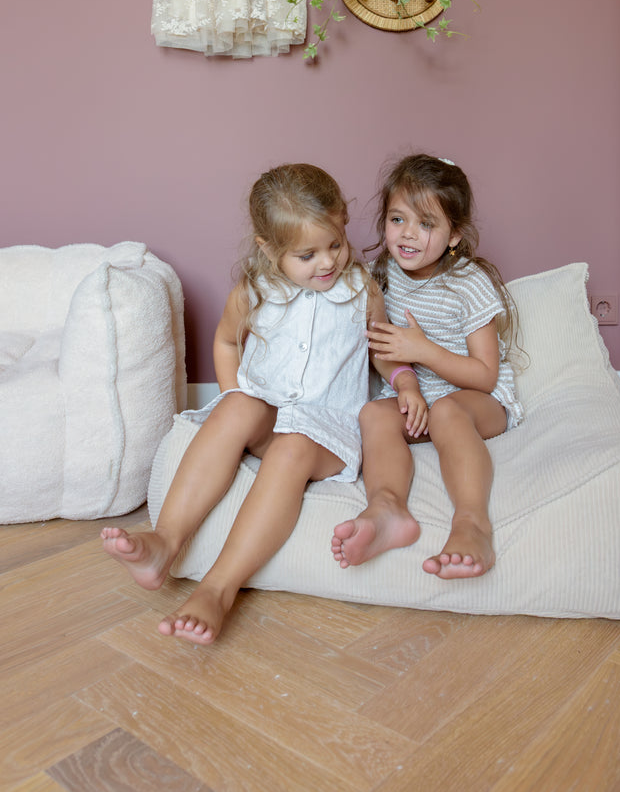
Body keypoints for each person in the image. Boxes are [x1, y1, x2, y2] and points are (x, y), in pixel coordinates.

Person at [102, 163, 425, 644]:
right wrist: (236, 392)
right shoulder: (255, 292)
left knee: (293, 446)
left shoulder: (361, 291)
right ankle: (165, 542)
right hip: (270, 412)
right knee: (235, 408)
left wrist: (404, 383)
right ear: (269, 250)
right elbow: (227, 344)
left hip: (326, 429)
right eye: (306, 254)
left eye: (335, 244)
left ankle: (218, 588)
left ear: (342, 222)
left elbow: (382, 355)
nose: (326, 263)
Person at [331, 154, 523, 580]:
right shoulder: (382, 274)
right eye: (398, 219)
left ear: (454, 234)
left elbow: (485, 374)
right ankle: (387, 508)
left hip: (478, 399)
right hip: (420, 396)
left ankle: (472, 524)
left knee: (448, 412)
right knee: (373, 414)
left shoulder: (467, 283)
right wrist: (406, 388)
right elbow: (383, 350)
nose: (408, 235)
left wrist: (423, 349)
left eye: (426, 224)